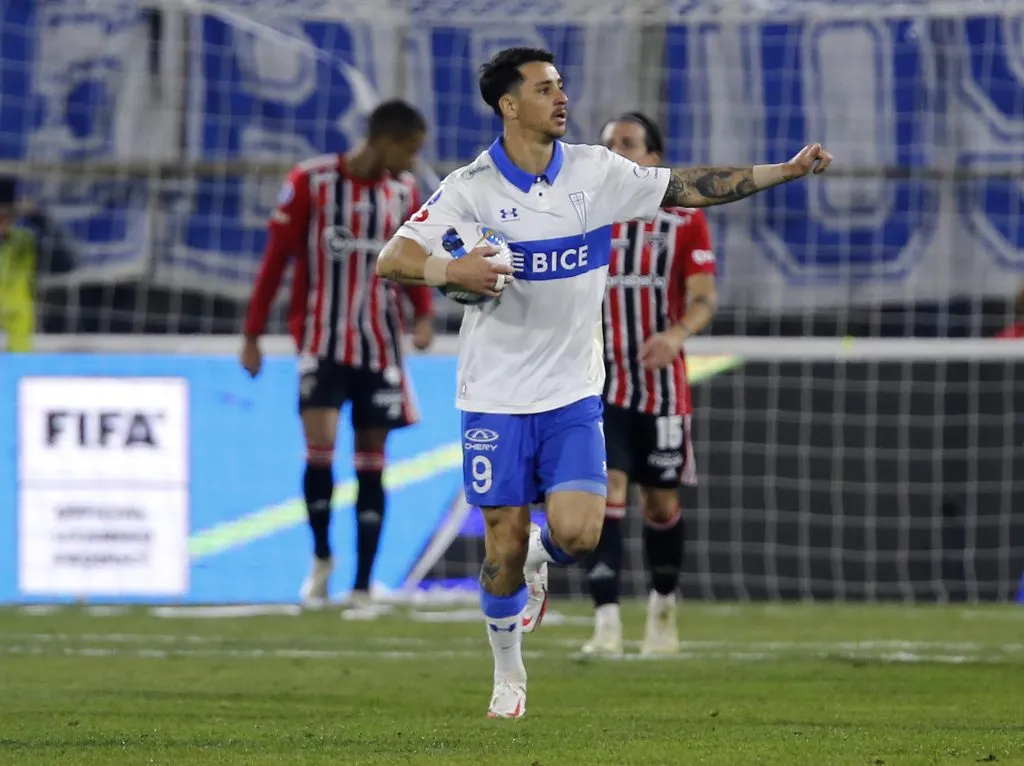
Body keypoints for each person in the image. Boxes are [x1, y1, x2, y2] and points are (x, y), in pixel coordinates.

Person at [376, 47, 832, 718]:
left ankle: (541, 557)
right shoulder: (470, 187)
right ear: (508, 105)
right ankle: (509, 674)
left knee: (580, 535)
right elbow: (394, 258)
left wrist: (784, 171)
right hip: (494, 396)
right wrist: (454, 274)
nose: (561, 97)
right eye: (542, 88)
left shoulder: (595, 170)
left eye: (560, 85)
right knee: (497, 543)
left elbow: (687, 184)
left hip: (571, 393)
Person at [241, 100, 436, 612]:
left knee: (373, 459)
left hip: (380, 344)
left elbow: (414, 258)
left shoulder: (403, 192)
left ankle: (363, 582)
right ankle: (323, 559)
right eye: (410, 150)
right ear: (385, 140)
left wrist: (422, 314)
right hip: (321, 341)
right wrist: (252, 333)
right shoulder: (311, 181)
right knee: (321, 445)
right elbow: (276, 259)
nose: (414, 161)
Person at [570, 112, 718, 656]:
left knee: (659, 503)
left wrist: (676, 335)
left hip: (661, 389)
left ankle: (662, 606)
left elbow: (703, 298)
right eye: (608, 145)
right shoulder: (584, 216)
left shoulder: (683, 220)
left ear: (655, 159)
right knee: (605, 491)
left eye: (628, 144)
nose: (615, 153)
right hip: (598, 384)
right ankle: (606, 621)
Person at [0, 176, 76, 351]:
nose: (2, 221)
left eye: (6, 214)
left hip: (17, 347)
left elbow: (68, 262)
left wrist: (39, 218)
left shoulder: (25, 241)